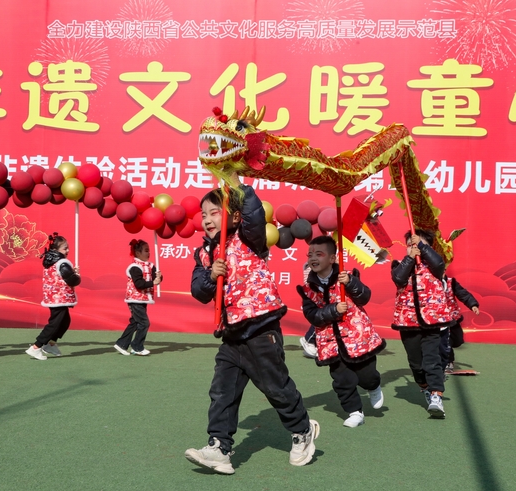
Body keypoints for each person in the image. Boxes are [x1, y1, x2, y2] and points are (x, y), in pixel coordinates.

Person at [185, 175, 319, 475]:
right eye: (203, 214)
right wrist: (210, 276)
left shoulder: (249, 237)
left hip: (261, 328)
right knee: (222, 392)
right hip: (232, 335)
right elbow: (198, 290)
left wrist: (237, 185)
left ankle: (302, 430)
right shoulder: (205, 254)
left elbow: (255, 215)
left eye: (214, 212)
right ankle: (219, 447)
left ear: (233, 215)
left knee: (275, 387)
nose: (206, 219)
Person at [297, 236, 386, 428]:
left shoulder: (348, 276)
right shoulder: (307, 289)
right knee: (342, 381)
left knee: (367, 376)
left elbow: (365, 297)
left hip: (358, 338)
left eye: (319, 254)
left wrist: (352, 282)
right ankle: (355, 412)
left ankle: (374, 386)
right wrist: (333, 310)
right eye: (310, 254)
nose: (313, 258)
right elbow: (312, 316)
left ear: (332, 259)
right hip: (331, 342)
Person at [391, 229, 456, 418]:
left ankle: (436, 395)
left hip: (432, 321)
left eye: (420, 244)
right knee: (416, 364)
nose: (416, 248)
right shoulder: (400, 264)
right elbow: (398, 278)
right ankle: (425, 387)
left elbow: (439, 263)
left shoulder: (435, 267)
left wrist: (421, 245)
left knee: (432, 360)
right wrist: (411, 257)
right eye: (411, 245)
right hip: (407, 322)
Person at [25, 233, 81, 361]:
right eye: (65, 248)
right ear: (55, 250)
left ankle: (51, 344)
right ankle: (36, 347)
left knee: (65, 321)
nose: (68, 250)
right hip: (59, 298)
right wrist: (76, 275)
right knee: (54, 324)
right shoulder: (62, 263)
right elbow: (72, 280)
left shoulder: (50, 261)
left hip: (55, 297)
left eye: (67, 248)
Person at [113, 239, 162, 356]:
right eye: (146, 250)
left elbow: (157, 278)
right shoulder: (134, 267)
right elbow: (139, 284)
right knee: (144, 323)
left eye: (149, 250)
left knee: (135, 322)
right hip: (135, 299)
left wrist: (160, 277)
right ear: (138, 253)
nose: (149, 253)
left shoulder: (151, 266)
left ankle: (121, 344)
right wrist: (153, 282)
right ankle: (137, 346)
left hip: (142, 298)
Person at [441, 275, 480, 372]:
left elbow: (463, 294)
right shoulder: (428, 282)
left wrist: (473, 305)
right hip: (439, 319)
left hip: (453, 317)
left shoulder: (451, 282)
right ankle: (448, 362)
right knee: (446, 341)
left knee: (458, 340)